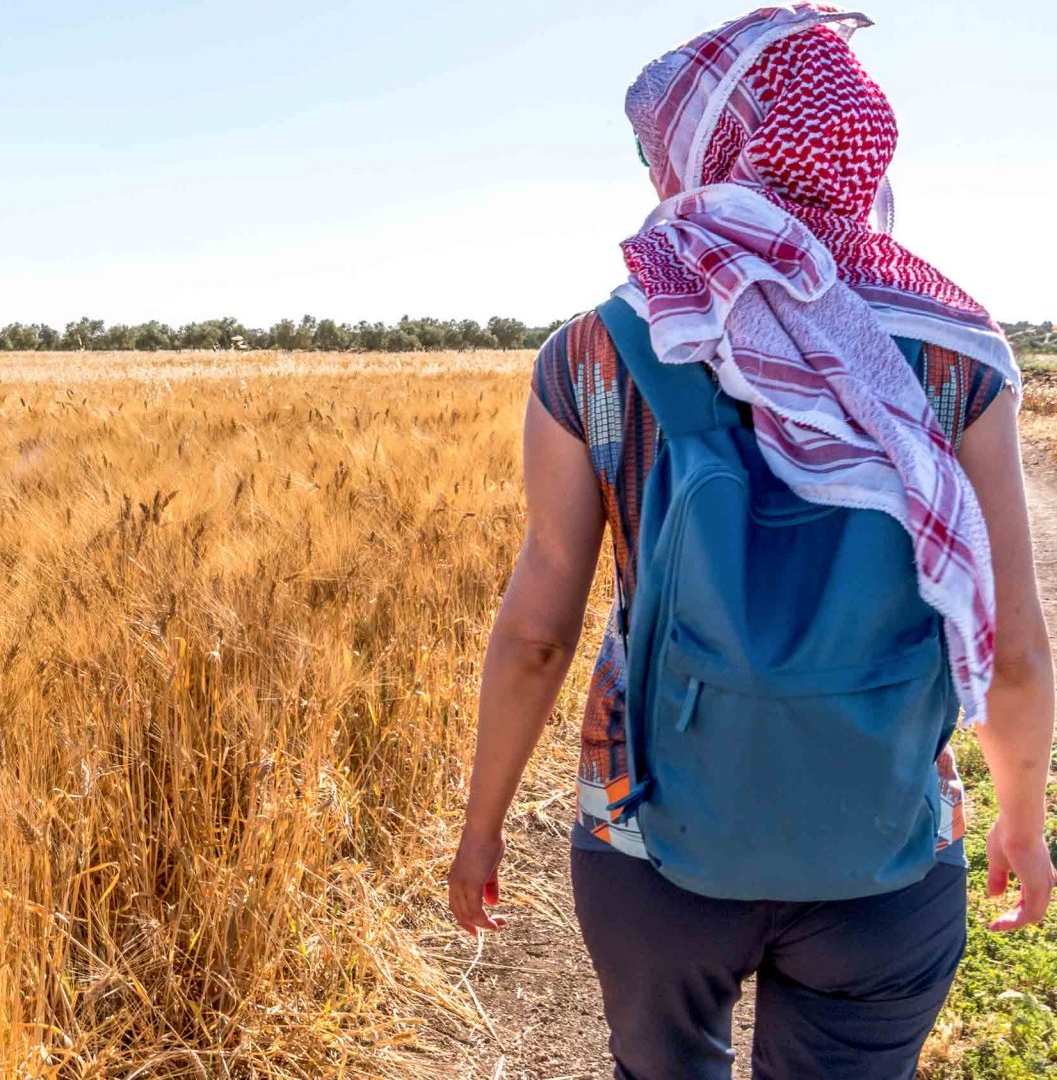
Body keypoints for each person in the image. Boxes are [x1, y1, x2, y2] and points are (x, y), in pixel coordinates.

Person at [448, 5, 1055, 1078]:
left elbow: (539, 631)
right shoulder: (958, 354)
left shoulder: (600, 348)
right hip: (888, 850)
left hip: (650, 846)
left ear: (699, 153)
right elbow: (1013, 646)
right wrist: (1022, 817)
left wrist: (483, 825)